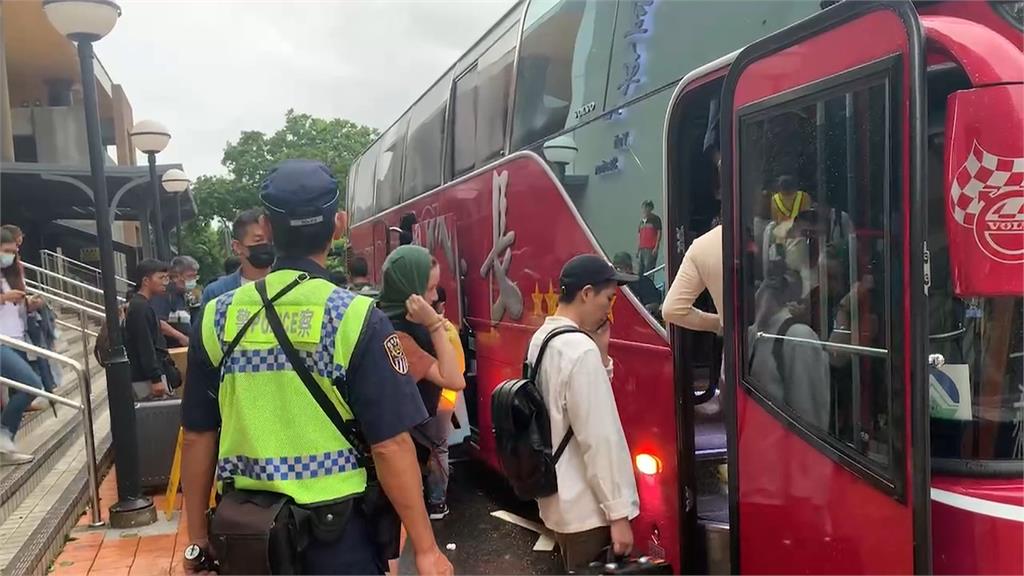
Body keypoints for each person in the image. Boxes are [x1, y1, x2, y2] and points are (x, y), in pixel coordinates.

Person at [180, 159, 452, 575]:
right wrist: (427, 549)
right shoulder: (356, 317)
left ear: (268, 229)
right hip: (338, 539)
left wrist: (197, 539)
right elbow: (390, 445)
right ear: (338, 225)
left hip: (248, 537)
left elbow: (198, 436)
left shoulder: (216, 316)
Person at [528, 254, 640, 571]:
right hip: (588, 511)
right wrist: (618, 515)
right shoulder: (580, 351)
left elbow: (565, 407)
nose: (610, 308)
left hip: (560, 500)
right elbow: (598, 438)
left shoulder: (542, 339)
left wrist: (601, 354)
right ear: (586, 293)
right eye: (608, 298)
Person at [377, 246, 466, 520]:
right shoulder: (397, 334)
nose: (435, 296)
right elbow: (454, 379)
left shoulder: (393, 321)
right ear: (408, 287)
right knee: (438, 446)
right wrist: (435, 326)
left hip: (421, 414)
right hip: (405, 430)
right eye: (429, 288)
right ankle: (437, 503)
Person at [0, 228, 45, 465]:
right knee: (31, 384)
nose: (10, 256)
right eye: (6, 251)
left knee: (21, 390)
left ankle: (5, 445)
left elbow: (15, 312)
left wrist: (31, 304)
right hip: (2, 342)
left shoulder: (12, 276)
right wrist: (4, 298)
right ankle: (3, 436)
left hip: (16, 338)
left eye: (13, 252)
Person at [200, 208, 275, 308]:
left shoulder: (293, 284)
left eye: (270, 239)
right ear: (237, 246)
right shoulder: (217, 292)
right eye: (258, 240)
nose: (266, 244)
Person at [125, 259, 173, 400]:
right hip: (146, 380)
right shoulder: (140, 307)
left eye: (167, 278)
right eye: (161, 278)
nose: (165, 282)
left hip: (147, 377)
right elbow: (145, 344)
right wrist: (156, 378)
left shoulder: (141, 304)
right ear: (146, 280)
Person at [663, 225, 723, 335]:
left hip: (740, 343)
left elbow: (672, 310)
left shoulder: (702, 246)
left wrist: (720, 324)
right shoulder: (762, 234)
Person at [151, 255, 200, 348]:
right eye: (190, 276)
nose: (193, 280)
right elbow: (158, 322)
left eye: (195, 276)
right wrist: (181, 338)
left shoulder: (185, 295)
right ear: (176, 277)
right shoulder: (164, 295)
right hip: (170, 350)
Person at [636, 200, 662, 276]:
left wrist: (656, 247)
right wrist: (638, 250)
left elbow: (659, 233)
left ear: (651, 208)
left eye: (647, 207)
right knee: (640, 270)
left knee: (649, 270)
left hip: (650, 249)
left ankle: (648, 286)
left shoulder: (656, 219)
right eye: (644, 207)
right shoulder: (641, 221)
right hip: (642, 249)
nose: (645, 209)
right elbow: (639, 236)